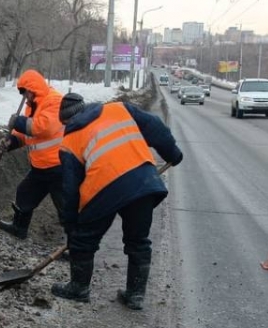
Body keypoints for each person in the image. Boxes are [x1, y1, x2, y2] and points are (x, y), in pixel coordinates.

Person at [52, 93, 183, 310]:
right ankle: (135, 295)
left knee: (84, 240)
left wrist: (71, 225)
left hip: (103, 191)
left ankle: (79, 288)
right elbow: (156, 127)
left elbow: (70, 190)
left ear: (66, 121)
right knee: (138, 240)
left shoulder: (69, 142)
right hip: (143, 181)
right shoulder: (118, 109)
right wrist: (172, 152)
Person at [0, 69, 66, 239]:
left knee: (65, 206)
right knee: (24, 193)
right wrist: (11, 142)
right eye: (22, 93)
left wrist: (18, 122)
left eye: (25, 92)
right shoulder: (32, 105)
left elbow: (43, 127)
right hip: (40, 165)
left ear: (33, 89)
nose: (24, 97)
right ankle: (19, 227)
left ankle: (76, 246)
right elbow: (27, 134)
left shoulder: (54, 100)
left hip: (58, 165)